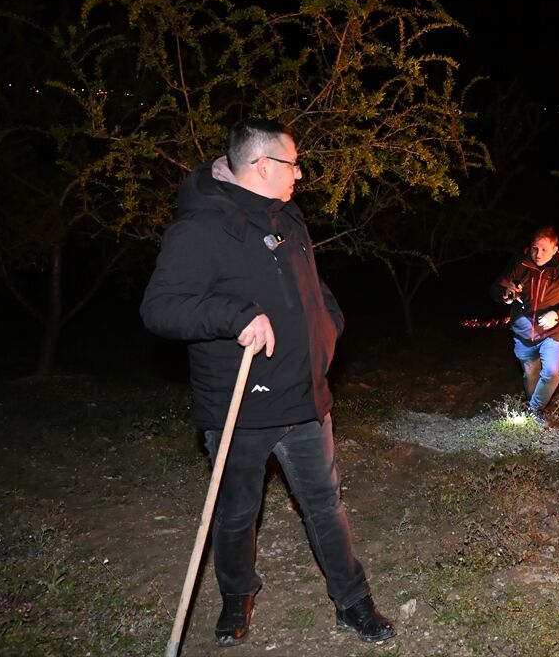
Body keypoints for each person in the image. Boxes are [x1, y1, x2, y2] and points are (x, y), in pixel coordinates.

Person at [140, 118, 395, 647]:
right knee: (237, 512)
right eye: (292, 164)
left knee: (325, 503)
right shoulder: (200, 228)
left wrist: (329, 325)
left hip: (304, 396)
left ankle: (352, 602)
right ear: (261, 166)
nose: (300, 174)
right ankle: (237, 596)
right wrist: (234, 316)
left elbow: (311, 285)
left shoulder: (288, 216)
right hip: (240, 406)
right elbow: (160, 308)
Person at [489, 226, 559, 425]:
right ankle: (535, 413)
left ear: (555, 250)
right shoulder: (520, 263)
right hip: (523, 333)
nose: (538, 254)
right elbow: (496, 289)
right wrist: (506, 294)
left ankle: (534, 410)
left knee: (551, 373)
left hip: (552, 332)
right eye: (535, 248)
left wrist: (557, 315)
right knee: (530, 375)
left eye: (544, 249)